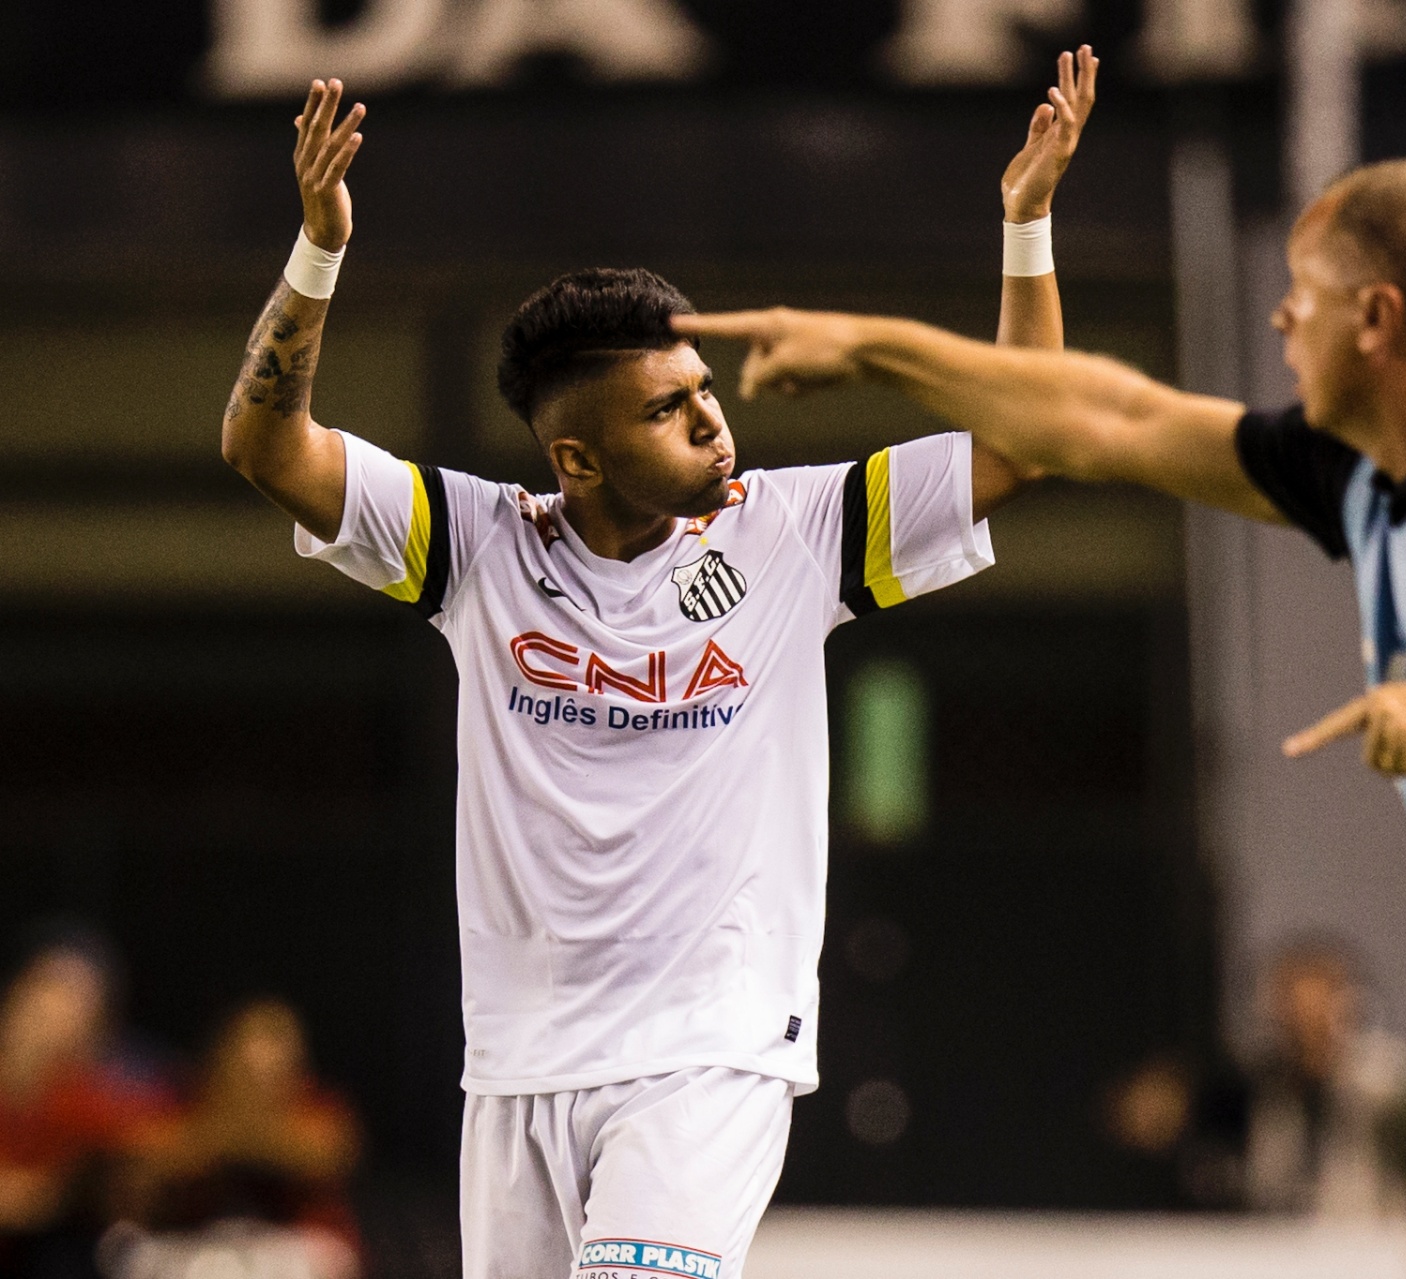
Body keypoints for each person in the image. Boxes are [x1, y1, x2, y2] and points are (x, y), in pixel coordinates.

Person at [677, 158, 1406, 1277]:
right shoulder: (1370, 473)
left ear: (1377, 317)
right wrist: (874, 346)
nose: (1283, 322)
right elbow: (1112, 420)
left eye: (1304, 296)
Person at [216, 49, 1097, 1279]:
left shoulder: (794, 535)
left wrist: (1027, 221)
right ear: (575, 458)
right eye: (665, 409)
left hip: (708, 1051)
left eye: (703, 388)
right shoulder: (474, 547)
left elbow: (1032, 439)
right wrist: (319, 252)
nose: (709, 417)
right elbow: (265, 446)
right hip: (517, 1067)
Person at [1104, 938, 1406, 1218]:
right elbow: (1147, 1118)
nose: (1307, 1028)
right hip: (1272, 1256)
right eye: (1293, 1014)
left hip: (1363, 1251)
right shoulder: (1252, 1085)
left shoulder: (1385, 1086)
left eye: (1321, 1011)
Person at [125, 999, 359, 1267]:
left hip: (295, 1252)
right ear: (224, 1051)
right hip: (202, 1249)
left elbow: (324, 1155)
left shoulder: (317, 1108)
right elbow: (144, 1160)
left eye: (276, 1045)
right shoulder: (189, 1102)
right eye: (252, 1043)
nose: (262, 1061)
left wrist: (230, 1134)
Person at [0, 932, 170, 1279]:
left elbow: (156, 1151)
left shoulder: (103, 1093)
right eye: (47, 989)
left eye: (77, 999)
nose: (54, 1010)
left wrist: (51, 1192)